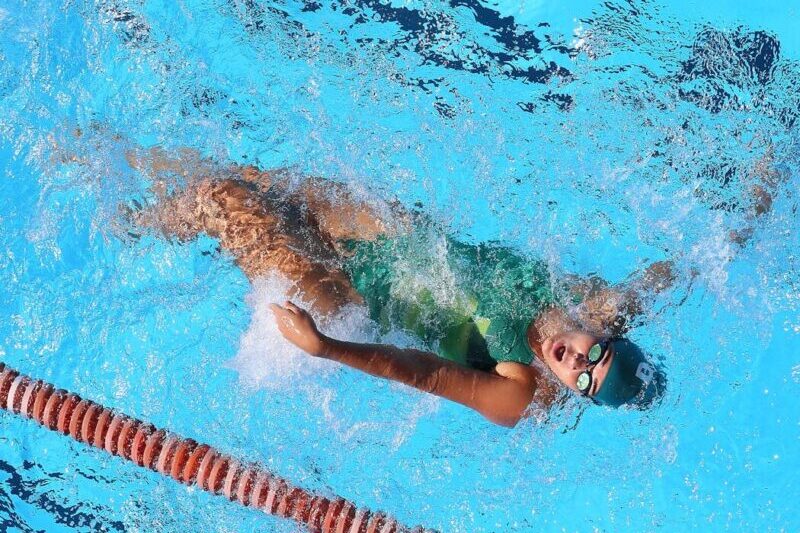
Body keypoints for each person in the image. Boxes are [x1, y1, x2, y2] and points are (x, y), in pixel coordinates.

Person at [125, 145, 779, 427]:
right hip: (395, 238)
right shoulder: (601, 302)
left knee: (223, 198)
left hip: (349, 296)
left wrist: (326, 347)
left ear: (573, 394)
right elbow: (696, 265)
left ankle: (129, 220)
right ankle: (116, 173)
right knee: (251, 179)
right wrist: (759, 194)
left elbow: (426, 375)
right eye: (596, 353)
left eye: (582, 379)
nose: (577, 362)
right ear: (605, 332)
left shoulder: (516, 392)